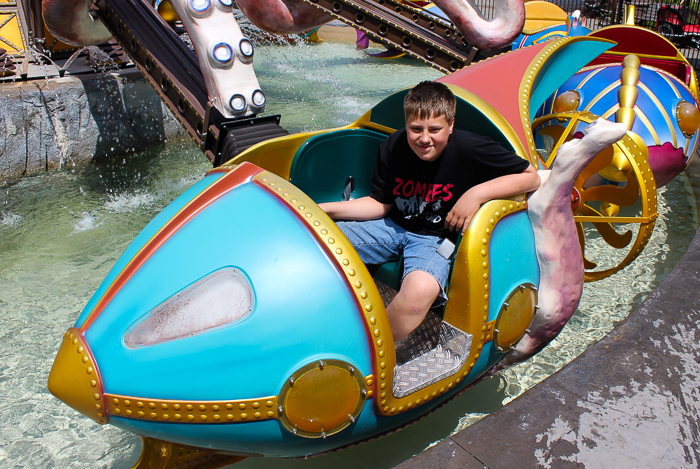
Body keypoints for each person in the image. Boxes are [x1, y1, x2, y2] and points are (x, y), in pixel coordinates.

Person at [319, 81, 540, 342]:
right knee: (315, 242)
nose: (424, 139)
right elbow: (381, 203)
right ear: (407, 123)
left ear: (451, 125)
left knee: (418, 294)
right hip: (392, 226)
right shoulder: (392, 146)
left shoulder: (471, 148)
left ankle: (372, 354)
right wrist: (322, 210)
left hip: (437, 240)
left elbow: (530, 178)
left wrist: (476, 194)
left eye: (435, 129)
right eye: (415, 129)